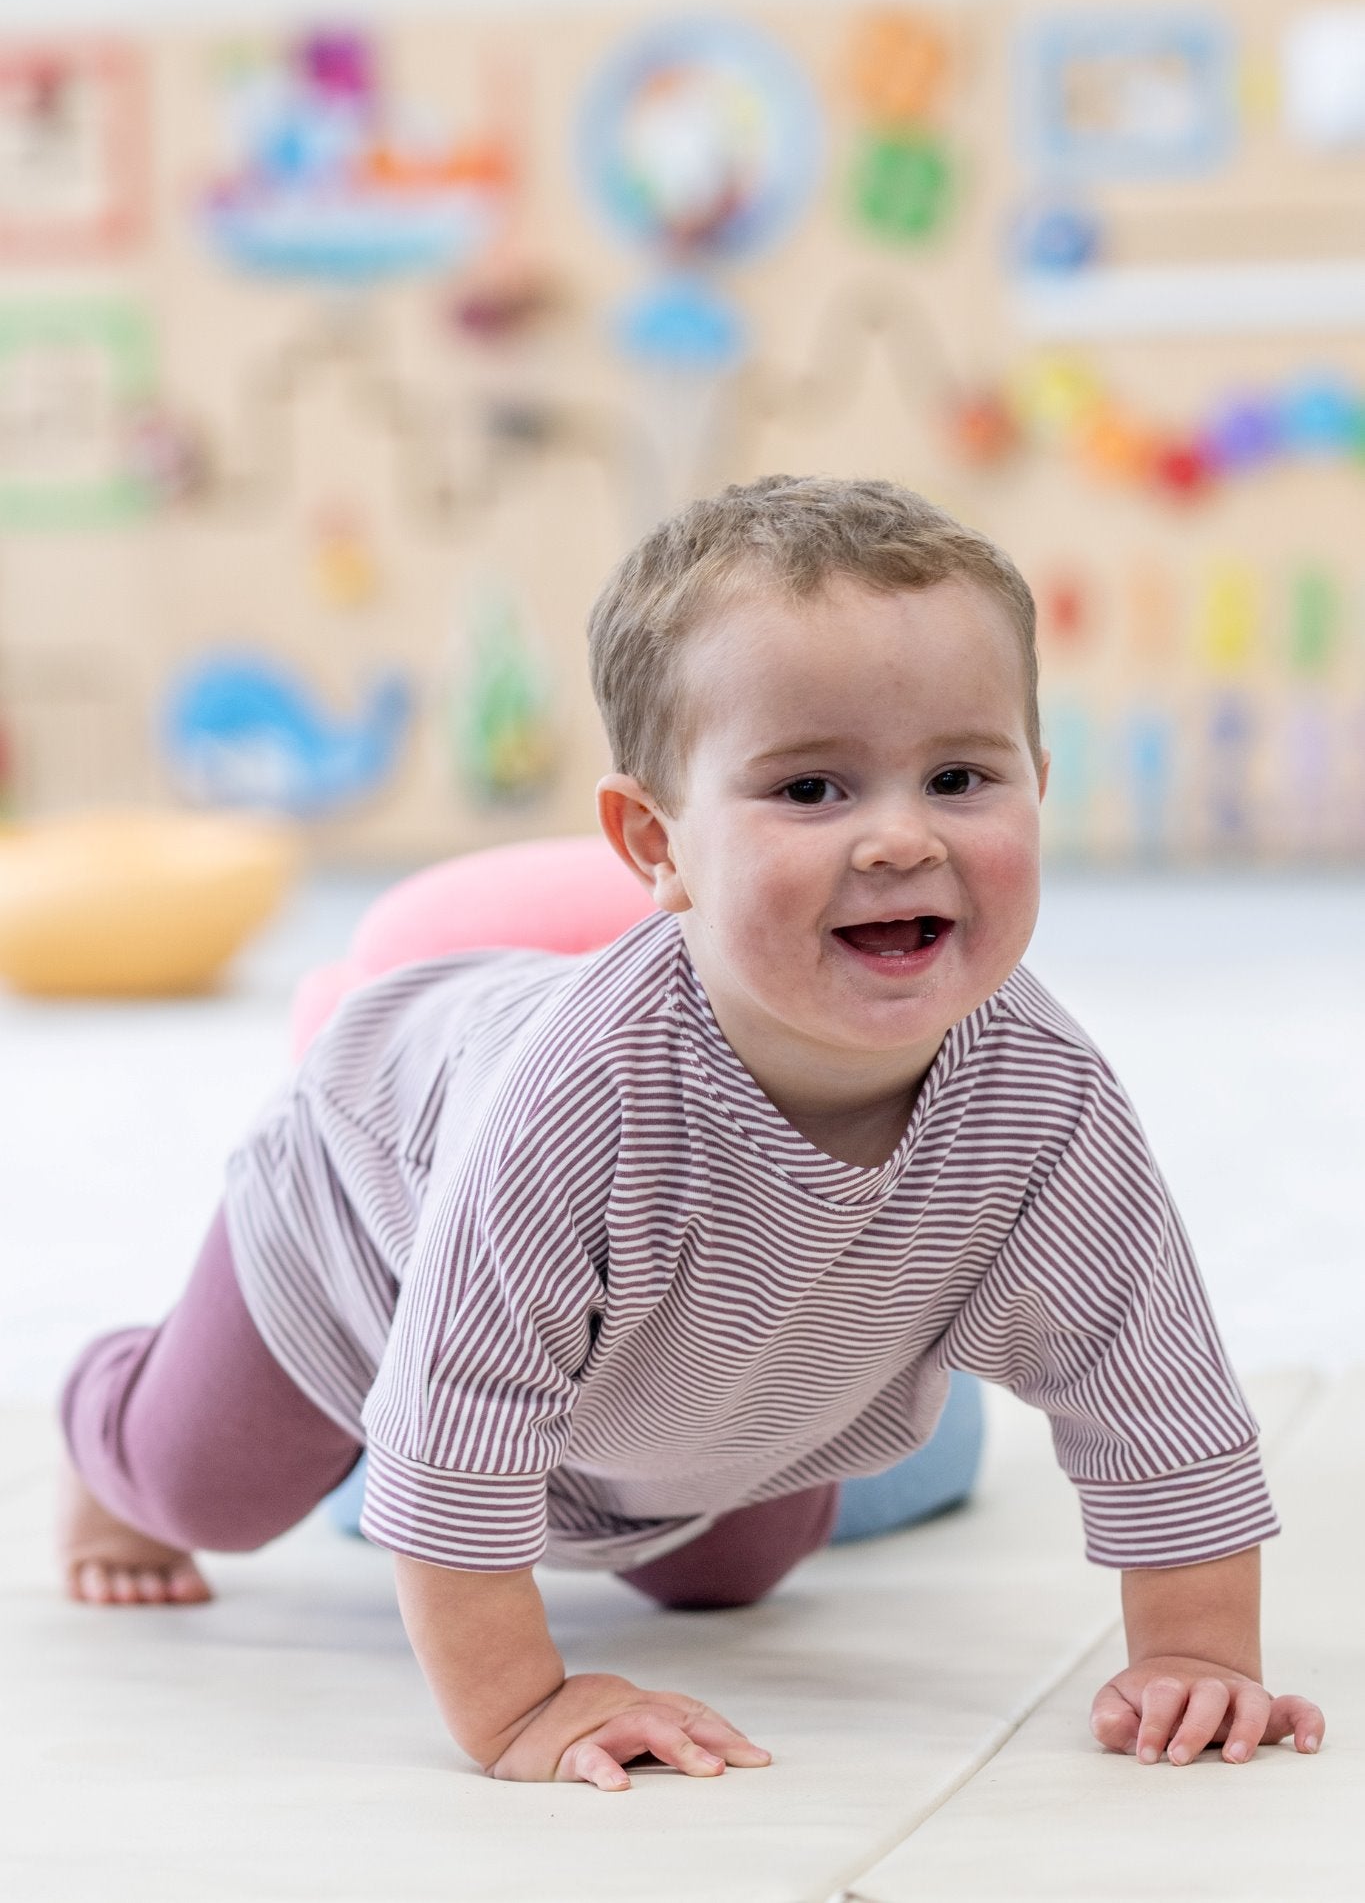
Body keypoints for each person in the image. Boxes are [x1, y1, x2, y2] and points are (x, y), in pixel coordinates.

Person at [58, 476, 1325, 1791]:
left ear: (1037, 786)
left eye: (959, 777)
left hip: (704, 1374)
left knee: (730, 1576)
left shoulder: (1048, 1101)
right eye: (811, 788)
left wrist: (1195, 1657)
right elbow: (457, 1420)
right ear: (655, 842)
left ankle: (628, 1467)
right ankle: (117, 1420)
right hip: (362, 1236)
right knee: (206, 1487)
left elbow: (1152, 1389)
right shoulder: (577, 1102)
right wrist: (519, 1709)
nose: (901, 836)